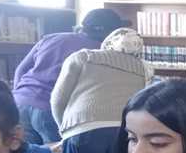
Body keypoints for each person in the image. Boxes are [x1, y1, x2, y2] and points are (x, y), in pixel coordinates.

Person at [51, 28, 151, 153]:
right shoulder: (145, 68)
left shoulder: (82, 57)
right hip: (124, 132)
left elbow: (57, 99)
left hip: (82, 129)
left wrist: (65, 130)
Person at [12, 8, 128, 145]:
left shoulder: (51, 38)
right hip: (50, 110)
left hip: (20, 102)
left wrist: (21, 95)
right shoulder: (101, 52)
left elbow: (21, 69)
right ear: (113, 33)